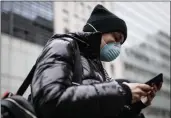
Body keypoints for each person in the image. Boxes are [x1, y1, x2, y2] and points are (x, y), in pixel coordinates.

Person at [30, 4, 159, 118]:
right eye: (116, 37)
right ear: (99, 31)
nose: (117, 46)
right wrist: (123, 92)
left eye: (121, 43)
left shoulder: (99, 68)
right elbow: (49, 101)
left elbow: (95, 110)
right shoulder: (63, 44)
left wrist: (136, 104)